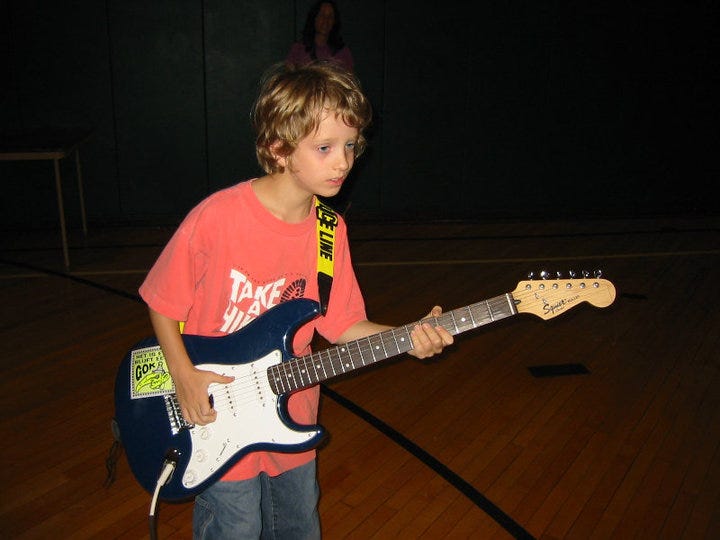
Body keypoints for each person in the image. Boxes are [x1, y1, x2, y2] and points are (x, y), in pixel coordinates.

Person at [138, 61, 453, 539]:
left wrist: (407, 338)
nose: (343, 162)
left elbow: (342, 324)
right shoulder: (218, 218)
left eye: (351, 146)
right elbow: (162, 302)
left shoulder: (331, 232)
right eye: (324, 147)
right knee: (236, 527)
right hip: (217, 414)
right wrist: (182, 375)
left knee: (299, 526)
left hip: (293, 412)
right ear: (278, 148)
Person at [286, 0, 353, 72]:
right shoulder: (298, 49)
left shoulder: (343, 52)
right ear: (314, 18)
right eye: (322, 15)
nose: (326, 20)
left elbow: (349, 80)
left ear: (334, 22)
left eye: (330, 17)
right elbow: (289, 78)